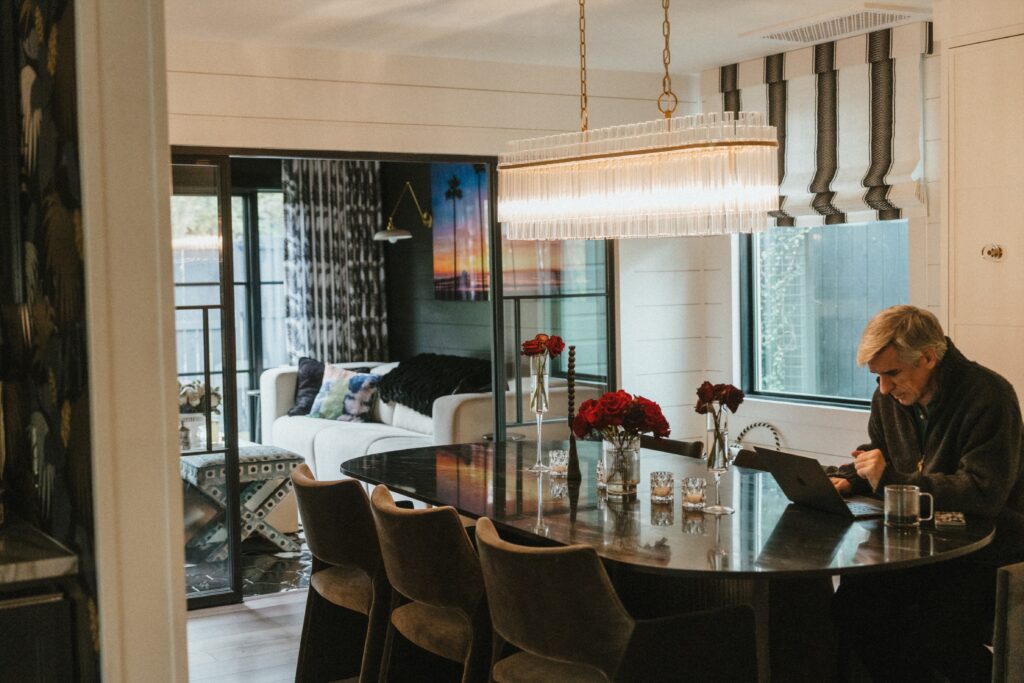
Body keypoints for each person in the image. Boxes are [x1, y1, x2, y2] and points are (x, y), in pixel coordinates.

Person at [829, 305, 1024, 681]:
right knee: (851, 606)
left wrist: (891, 481)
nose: (884, 388)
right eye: (877, 377)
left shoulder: (989, 396)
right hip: (923, 546)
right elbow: (880, 453)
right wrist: (850, 478)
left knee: (934, 631)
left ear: (929, 357)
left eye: (891, 373)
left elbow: (984, 493)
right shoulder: (888, 397)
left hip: (988, 549)